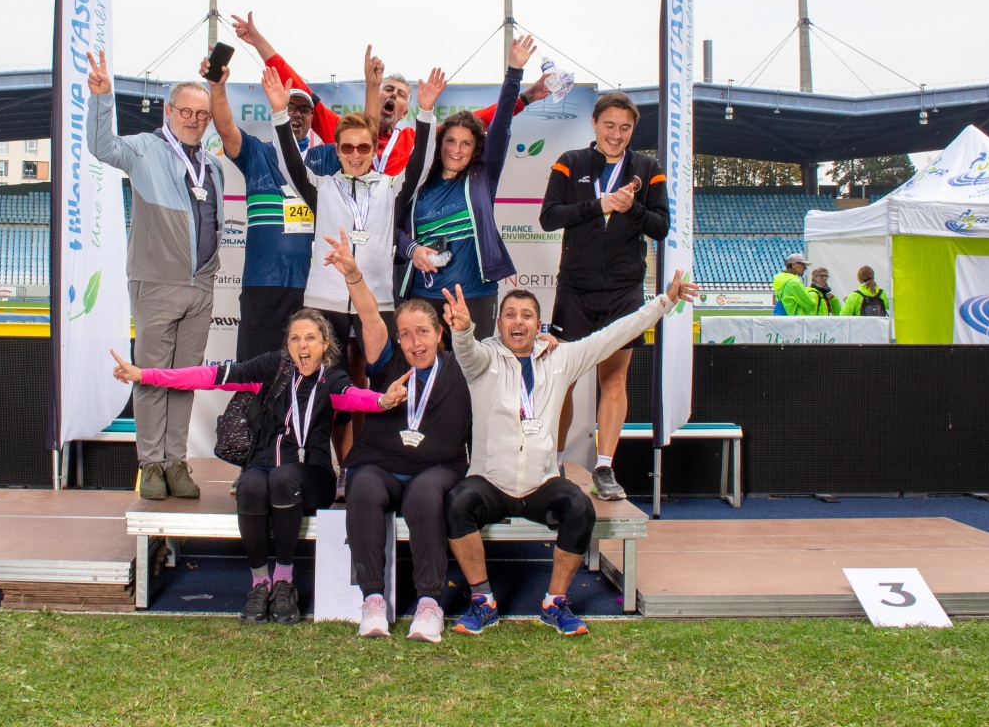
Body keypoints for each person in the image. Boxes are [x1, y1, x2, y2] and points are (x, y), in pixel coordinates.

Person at [109, 310, 405, 625]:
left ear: (325, 344)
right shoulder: (271, 368)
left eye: (310, 338)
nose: (302, 345)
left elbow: (355, 397)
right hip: (263, 467)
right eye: (295, 338)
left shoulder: (332, 380)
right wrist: (145, 375)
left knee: (283, 478)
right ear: (288, 345)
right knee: (249, 485)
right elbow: (208, 377)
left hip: (312, 476)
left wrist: (383, 401)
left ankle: (284, 582)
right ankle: (260, 583)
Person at [442, 273, 698, 636]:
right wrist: (462, 330)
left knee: (580, 508)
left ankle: (555, 602)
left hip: (542, 482)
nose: (518, 322)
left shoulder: (561, 358)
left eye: (527, 315)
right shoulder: (484, 359)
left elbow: (614, 335)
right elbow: (466, 350)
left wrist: (665, 301)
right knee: (457, 503)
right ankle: (483, 600)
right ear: (499, 324)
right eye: (510, 315)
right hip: (490, 481)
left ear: (539, 325)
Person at [324, 229, 549, 642]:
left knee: (426, 496)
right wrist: (353, 275)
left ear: (439, 334)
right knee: (363, 487)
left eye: (423, 332)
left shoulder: (464, 364)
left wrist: (544, 340)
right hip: (380, 463)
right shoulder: (386, 360)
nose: (415, 341)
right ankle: (372, 599)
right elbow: (370, 315)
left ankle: (430, 604)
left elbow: (512, 346)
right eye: (406, 334)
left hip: (438, 466)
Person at [86, 51, 226, 501]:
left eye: (201, 115)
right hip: (157, 284)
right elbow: (101, 147)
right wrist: (102, 98)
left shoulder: (213, 165)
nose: (193, 120)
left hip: (201, 287)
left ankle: (175, 461)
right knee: (150, 376)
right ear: (168, 111)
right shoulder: (145, 149)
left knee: (184, 379)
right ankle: (150, 463)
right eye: (185, 111)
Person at [538, 90, 668, 501]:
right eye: (609, 125)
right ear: (594, 123)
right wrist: (600, 204)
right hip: (575, 290)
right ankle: (553, 462)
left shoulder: (648, 168)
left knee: (614, 379)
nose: (616, 134)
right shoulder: (570, 162)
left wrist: (631, 209)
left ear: (632, 131)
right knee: (563, 379)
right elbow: (548, 218)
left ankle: (605, 468)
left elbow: (661, 226)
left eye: (625, 128)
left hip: (623, 291)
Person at [230, 12, 545, 177]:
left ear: (405, 110)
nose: (393, 95)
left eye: (401, 94)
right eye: (388, 89)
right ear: (376, 96)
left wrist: (525, 97)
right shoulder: (342, 131)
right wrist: (259, 42)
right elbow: (299, 85)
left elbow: (476, 122)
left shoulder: (414, 140)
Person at [268, 65, 436, 353]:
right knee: (325, 374)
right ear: (337, 150)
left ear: (372, 150)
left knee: (383, 372)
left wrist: (426, 112)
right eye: (347, 148)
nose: (355, 155)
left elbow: (421, 165)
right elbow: (289, 164)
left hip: (377, 299)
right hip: (324, 300)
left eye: (363, 148)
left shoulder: (391, 188)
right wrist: (279, 115)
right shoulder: (321, 187)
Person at [205, 50, 358, 361]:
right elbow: (225, 128)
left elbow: (361, 140)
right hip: (263, 282)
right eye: (290, 107)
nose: (297, 115)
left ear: (312, 118)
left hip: (314, 285)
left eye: (304, 109)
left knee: (313, 371)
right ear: (277, 110)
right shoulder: (256, 152)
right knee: (257, 369)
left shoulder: (327, 157)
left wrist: (372, 85)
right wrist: (218, 87)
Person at [399, 35, 536, 340]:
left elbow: (501, 123)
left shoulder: (482, 176)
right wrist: (413, 249)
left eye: (466, 143)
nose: (456, 150)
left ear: (476, 149)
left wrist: (514, 71)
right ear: (439, 145)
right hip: (424, 296)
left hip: (475, 294)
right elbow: (393, 230)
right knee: (425, 367)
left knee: (475, 368)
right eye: (450, 141)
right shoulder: (419, 183)